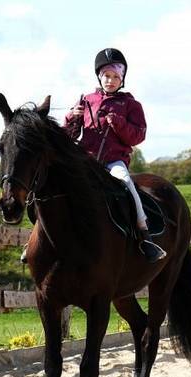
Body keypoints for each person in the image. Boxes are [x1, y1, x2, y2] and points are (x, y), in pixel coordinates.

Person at [62, 47, 166, 263]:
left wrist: (118, 123)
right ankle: (39, 236)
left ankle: (143, 233)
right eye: (106, 76)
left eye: (115, 77)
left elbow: (138, 136)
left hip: (113, 162)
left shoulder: (130, 104)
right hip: (86, 160)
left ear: (122, 79)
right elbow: (69, 135)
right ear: (100, 77)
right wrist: (72, 117)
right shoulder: (87, 99)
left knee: (126, 182)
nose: (110, 81)